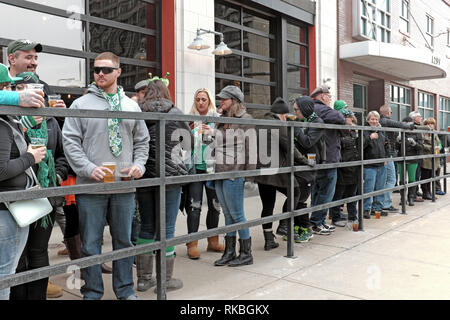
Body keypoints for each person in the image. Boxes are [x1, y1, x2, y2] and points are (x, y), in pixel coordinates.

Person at [62, 52, 149, 300]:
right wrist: (88, 168)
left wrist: (139, 166)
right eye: (97, 69)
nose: (100, 73)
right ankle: (92, 293)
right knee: (90, 245)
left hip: (123, 185)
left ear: (118, 72)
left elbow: (142, 141)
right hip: (91, 186)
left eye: (106, 70)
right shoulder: (80, 105)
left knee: (124, 242)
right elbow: (70, 143)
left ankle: (125, 291)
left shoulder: (131, 106)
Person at [8, 72, 69, 300]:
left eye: (36, 88)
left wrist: (58, 175)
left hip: (46, 196)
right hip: (19, 195)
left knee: (38, 251)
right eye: (24, 87)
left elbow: (62, 155)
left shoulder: (51, 120)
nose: (33, 93)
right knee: (18, 255)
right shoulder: (11, 119)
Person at [135, 77, 192, 293]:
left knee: (146, 226)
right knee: (167, 228)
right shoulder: (176, 113)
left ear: (146, 93)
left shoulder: (139, 113)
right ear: (167, 93)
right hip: (171, 178)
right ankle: (165, 280)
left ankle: (143, 279)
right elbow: (188, 144)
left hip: (145, 177)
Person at [0, 68, 46, 300]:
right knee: (5, 272)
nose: (14, 90)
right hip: (7, 209)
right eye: (9, 86)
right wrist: (30, 158)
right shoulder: (1, 124)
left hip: (13, 206)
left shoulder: (10, 120)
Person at [254, 97, 309, 249]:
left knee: (267, 206)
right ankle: (284, 224)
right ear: (283, 115)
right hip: (277, 172)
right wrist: (305, 161)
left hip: (261, 171)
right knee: (296, 192)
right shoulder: (278, 124)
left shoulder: (260, 123)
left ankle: (268, 239)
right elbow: (289, 147)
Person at [213, 85, 257, 267]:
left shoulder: (245, 119)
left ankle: (246, 253)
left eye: (224, 98)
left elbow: (251, 149)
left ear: (235, 101)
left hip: (235, 171)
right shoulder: (221, 119)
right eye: (220, 98)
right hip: (220, 170)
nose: (221, 101)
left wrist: (250, 177)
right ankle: (230, 251)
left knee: (237, 214)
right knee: (227, 214)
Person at [181, 88, 223, 259]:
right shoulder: (189, 119)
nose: (200, 102)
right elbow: (182, 144)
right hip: (195, 167)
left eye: (203, 99)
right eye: (197, 99)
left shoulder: (218, 119)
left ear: (209, 101)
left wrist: (213, 133)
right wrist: (192, 133)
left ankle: (213, 241)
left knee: (215, 206)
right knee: (194, 206)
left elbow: (227, 140)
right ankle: (192, 242)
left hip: (213, 168)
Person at [309, 85, 346, 235]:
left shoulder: (315, 109)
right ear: (323, 96)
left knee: (320, 191)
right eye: (329, 96)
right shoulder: (320, 108)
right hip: (326, 158)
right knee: (326, 192)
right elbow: (340, 118)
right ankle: (317, 222)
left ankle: (319, 221)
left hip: (323, 157)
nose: (330, 99)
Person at [291, 96, 325, 241]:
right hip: (299, 163)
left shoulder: (317, 122)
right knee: (297, 197)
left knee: (302, 198)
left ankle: (306, 230)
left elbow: (308, 142)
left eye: (296, 110)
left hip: (310, 165)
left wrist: (296, 128)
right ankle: (297, 228)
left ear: (304, 108)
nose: (295, 112)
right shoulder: (302, 121)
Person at [378, 105, 415, 213]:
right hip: (386, 154)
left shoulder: (382, 121)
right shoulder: (384, 120)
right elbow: (398, 124)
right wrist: (410, 126)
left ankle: (383, 203)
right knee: (391, 179)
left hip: (387, 153)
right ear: (388, 113)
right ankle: (385, 204)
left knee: (387, 179)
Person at [329, 107, 360, 226]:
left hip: (354, 167)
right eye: (348, 117)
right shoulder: (337, 131)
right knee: (338, 195)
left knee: (352, 195)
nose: (350, 119)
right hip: (342, 168)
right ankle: (335, 218)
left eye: (350, 117)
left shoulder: (354, 131)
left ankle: (353, 216)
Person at [362, 111, 387, 219]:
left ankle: (377, 209)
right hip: (369, 164)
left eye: (376, 119)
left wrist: (387, 157)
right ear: (367, 120)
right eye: (372, 119)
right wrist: (369, 138)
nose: (374, 121)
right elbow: (360, 145)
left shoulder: (381, 131)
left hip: (381, 164)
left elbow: (387, 144)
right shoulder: (363, 131)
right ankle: (366, 209)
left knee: (380, 188)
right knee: (368, 188)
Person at [397, 115, 425, 206]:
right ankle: (402, 198)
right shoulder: (400, 132)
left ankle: (411, 197)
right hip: (401, 158)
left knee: (412, 179)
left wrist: (414, 143)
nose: (405, 126)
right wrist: (397, 142)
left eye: (407, 124)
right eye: (403, 124)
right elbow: (394, 147)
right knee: (402, 180)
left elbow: (421, 147)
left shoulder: (417, 132)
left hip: (413, 159)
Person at [420, 118, 441, 200]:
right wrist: (432, 147)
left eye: (432, 124)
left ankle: (429, 192)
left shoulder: (434, 133)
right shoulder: (422, 133)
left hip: (434, 158)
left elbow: (439, 143)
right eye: (428, 124)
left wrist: (439, 147)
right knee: (425, 176)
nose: (430, 125)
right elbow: (422, 144)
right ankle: (425, 192)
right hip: (426, 157)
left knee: (431, 176)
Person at [409, 111, 425, 201]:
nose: (421, 118)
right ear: (414, 118)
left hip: (418, 155)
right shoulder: (414, 128)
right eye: (419, 116)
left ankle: (415, 192)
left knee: (417, 175)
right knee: (414, 176)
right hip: (414, 155)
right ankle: (413, 195)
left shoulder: (419, 127)